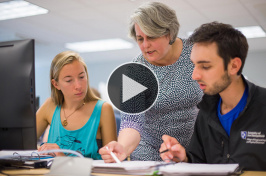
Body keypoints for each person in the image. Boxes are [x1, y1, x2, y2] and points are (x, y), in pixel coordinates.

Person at [99, 2, 203, 162]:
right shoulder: (136, 71)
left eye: (152, 37)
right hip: (149, 151)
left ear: (169, 33)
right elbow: (132, 121)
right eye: (140, 39)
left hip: (193, 148)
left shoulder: (195, 54)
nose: (145, 45)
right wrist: (123, 148)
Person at [160, 22, 266, 171]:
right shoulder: (206, 110)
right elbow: (200, 161)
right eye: (194, 65)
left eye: (205, 66)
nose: (194, 75)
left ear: (234, 66)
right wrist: (184, 158)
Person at [36, 51, 117, 159]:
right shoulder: (50, 105)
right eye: (69, 80)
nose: (78, 86)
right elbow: (21, 146)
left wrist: (62, 157)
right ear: (56, 84)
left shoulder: (103, 109)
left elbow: (112, 161)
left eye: (81, 77)